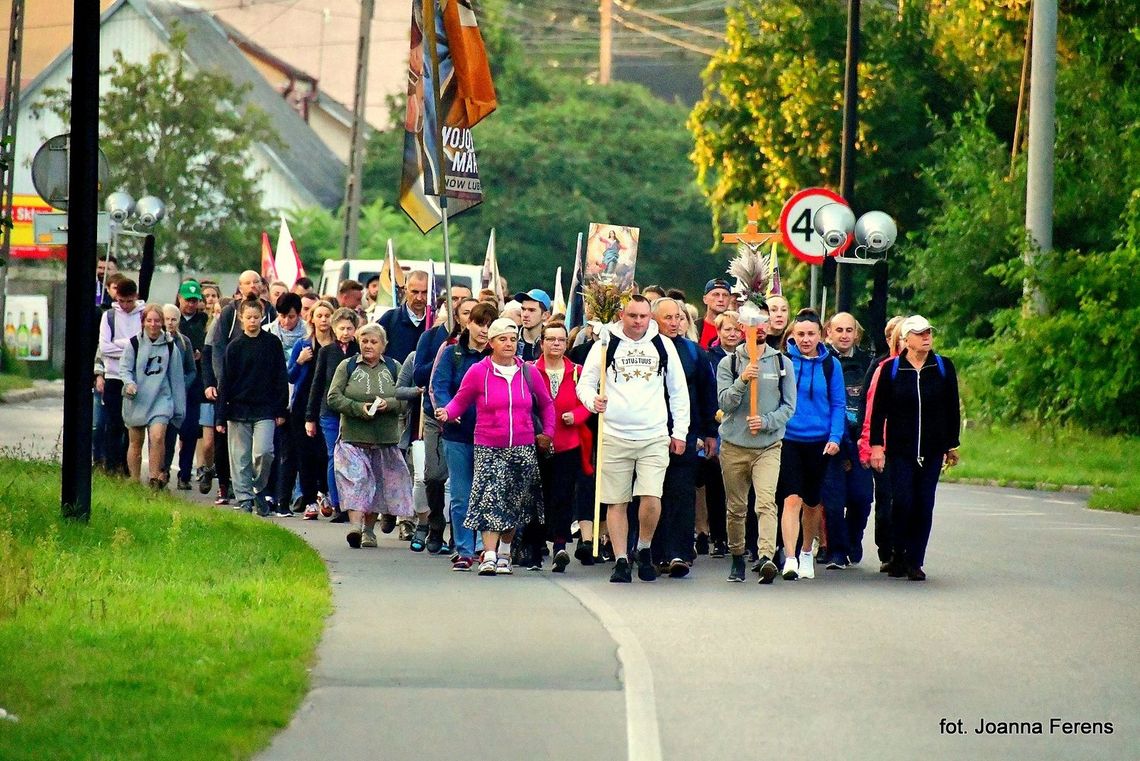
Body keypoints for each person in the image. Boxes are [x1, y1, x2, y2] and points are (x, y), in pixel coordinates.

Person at [576, 294, 690, 583]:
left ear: (650, 317)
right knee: (617, 501)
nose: (638, 322)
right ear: (621, 316)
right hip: (614, 433)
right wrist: (592, 401)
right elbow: (585, 383)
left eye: (643, 316)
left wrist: (680, 432)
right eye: (632, 316)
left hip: (653, 434)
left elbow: (678, 391)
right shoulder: (606, 343)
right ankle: (621, 559)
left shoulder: (662, 345)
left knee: (651, 497)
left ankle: (644, 548)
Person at [437, 318, 555, 576]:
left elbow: (546, 404)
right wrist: (447, 412)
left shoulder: (528, 371)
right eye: (503, 339)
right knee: (490, 499)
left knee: (513, 503)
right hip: (489, 445)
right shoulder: (479, 371)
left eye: (513, 339)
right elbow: (461, 400)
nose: (509, 344)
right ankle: (488, 555)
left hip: (522, 446)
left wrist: (548, 432)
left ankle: (504, 552)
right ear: (491, 343)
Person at [869, 315, 960, 581]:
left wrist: (951, 444)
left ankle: (915, 559)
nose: (926, 337)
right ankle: (898, 552)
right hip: (900, 450)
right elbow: (878, 412)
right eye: (920, 333)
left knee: (924, 504)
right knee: (903, 502)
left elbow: (952, 408)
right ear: (905, 340)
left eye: (928, 332)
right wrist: (876, 445)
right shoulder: (892, 370)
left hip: (932, 449)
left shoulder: (943, 367)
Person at [716, 302, 796, 582]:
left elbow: (789, 407)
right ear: (742, 327)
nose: (758, 328)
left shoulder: (781, 362)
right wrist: (741, 380)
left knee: (765, 503)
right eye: (752, 323)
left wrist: (766, 421)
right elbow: (724, 402)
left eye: (763, 322)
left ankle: (765, 557)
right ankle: (737, 556)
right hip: (734, 446)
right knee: (736, 507)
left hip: (768, 446)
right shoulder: (730, 363)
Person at [326, 323, 415, 548]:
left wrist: (389, 404)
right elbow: (333, 397)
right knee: (356, 482)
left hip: (384, 440)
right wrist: (358, 408)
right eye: (364, 341)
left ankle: (368, 530)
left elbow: (404, 400)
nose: (368, 345)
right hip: (353, 438)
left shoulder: (394, 367)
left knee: (376, 486)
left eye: (374, 342)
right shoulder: (347, 367)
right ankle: (355, 528)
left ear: (383, 345)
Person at [777, 309, 846, 581]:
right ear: (793, 335)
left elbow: (838, 403)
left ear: (821, 335)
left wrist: (835, 437)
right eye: (801, 334)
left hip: (820, 441)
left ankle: (807, 551)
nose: (806, 339)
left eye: (811, 334)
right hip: (789, 439)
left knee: (813, 502)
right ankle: (790, 557)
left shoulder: (831, 365)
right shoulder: (783, 362)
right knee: (791, 498)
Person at [651, 298, 718, 577]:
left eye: (679, 318)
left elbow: (707, 393)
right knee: (653, 495)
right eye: (668, 318)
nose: (675, 323)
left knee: (681, 493)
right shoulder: (645, 350)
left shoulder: (694, 352)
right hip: (650, 433)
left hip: (686, 434)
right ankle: (655, 553)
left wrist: (710, 433)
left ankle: (679, 552)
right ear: (654, 320)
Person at [430, 301, 497, 571]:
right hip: (457, 435)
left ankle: (484, 547)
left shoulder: (496, 357)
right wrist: (448, 410)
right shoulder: (451, 354)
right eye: (479, 323)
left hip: (489, 436)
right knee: (461, 494)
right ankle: (464, 549)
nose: (484, 330)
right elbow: (439, 385)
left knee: (486, 494)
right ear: (467, 324)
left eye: (489, 325)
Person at [203, 270, 277, 504]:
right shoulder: (229, 314)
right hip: (235, 393)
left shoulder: (271, 313)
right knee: (237, 453)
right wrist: (218, 383)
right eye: (247, 282)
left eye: (256, 281)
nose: (253, 286)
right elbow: (216, 348)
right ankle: (237, 493)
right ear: (240, 287)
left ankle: (258, 489)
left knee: (263, 452)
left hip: (263, 397)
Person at [413, 296, 479, 552]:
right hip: (437, 417)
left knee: (467, 485)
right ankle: (435, 523)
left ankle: (461, 538)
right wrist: (448, 408)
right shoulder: (437, 342)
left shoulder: (487, 352)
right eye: (465, 313)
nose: (471, 319)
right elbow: (428, 380)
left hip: (474, 426)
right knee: (435, 475)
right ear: (458, 318)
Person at [525, 321, 591, 572]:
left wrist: (577, 415)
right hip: (536, 442)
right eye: (550, 339)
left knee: (563, 496)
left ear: (567, 343)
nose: (555, 344)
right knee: (536, 496)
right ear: (541, 343)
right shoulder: (530, 371)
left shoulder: (577, 371)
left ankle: (560, 546)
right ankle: (534, 548)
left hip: (568, 443)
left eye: (561, 340)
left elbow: (589, 403)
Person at [215, 296, 289, 515]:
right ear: (241, 319)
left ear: (262, 317)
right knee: (240, 458)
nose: (253, 321)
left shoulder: (272, 343)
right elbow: (225, 382)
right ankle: (245, 497)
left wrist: (281, 408)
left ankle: (258, 486)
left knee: (264, 452)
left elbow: (280, 376)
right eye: (248, 317)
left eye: (257, 317)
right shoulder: (234, 347)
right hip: (238, 409)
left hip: (265, 409)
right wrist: (220, 416)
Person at [821, 312, 877, 567]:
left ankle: (854, 538)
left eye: (849, 330)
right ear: (828, 333)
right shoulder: (822, 361)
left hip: (860, 441)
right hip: (830, 441)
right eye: (839, 330)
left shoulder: (869, 363)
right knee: (832, 502)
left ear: (856, 334)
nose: (844, 335)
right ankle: (837, 551)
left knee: (862, 497)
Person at [121, 304, 186, 489]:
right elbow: (125, 369)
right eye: (149, 320)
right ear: (143, 322)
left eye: (157, 320)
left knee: (157, 437)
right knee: (136, 441)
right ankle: (134, 479)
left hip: (161, 399)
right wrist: (129, 383)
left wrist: (179, 408)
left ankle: (154, 477)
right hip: (137, 398)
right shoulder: (134, 344)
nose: (153, 324)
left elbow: (176, 378)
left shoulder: (170, 346)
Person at [859, 316, 906, 570]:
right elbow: (869, 408)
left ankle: (906, 550)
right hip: (883, 444)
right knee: (886, 498)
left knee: (907, 499)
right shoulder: (882, 368)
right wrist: (869, 444)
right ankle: (887, 550)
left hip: (910, 447)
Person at [306, 308, 360, 522]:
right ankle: (337, 503)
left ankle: (354, 504)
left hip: (354, 412)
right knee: (333, 457)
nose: (346, 332)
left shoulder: (360, 351)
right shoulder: (326, 352)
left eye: (349, 328)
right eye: (342, 328)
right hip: (329, 413)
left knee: (354, 459)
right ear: (334, 329)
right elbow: (317, 384)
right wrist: (310, 417)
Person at [699, 310, 744, 558]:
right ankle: (718, 537)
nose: (733, 333)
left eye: (737, 329)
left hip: (744, 427)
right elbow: (707, 393)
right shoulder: (708, 357)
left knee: (740, 488)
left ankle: (743, 537)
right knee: (717, 486)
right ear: (718, 332)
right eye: (727, 329)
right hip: (718, 427)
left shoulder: (749, 356)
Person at [288, 300, 336, 519]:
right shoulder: (304, 344)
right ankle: (309, 500)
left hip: (327, 404)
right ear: (312, 319)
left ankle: (325, 493)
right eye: (320, 315)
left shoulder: (337, 346)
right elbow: (290, 376)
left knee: (324, 453)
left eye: (327, 315)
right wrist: (299, 361)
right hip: (303, 404)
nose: (324, 320)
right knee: (305, 453)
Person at [98, 277, 145, 476]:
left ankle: (127, 468)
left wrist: (120, 344)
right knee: (113, 423)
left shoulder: (143, 314)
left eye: (129, 301)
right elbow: (104, 347)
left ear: (135, 297)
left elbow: (143, 345)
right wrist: (129, 346)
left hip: (135, 377)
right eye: (122, 301)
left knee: (131, 426)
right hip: (113, 376)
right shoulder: (109, 316)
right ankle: (111, 466)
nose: (125, 306)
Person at [160, 303, 199, 490]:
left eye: (173, 319)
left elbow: (192, 370)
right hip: (161, 396)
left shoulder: (184, 342)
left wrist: (182, 384)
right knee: (165, 435)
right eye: (166, 319)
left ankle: (184, 474)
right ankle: (162, 471)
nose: (170, 323)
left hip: (181, 397)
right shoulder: (157, 340)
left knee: (188, 433)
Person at [377, 270, 429, 361]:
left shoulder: (435, 322)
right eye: (415, 292)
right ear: (405, 290)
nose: (419, 298)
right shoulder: (390, 319)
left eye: (425, 292)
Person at [512, 289, 552, 361]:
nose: (525, 314)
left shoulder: (552, 341)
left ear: (545, 315)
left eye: (531, 310)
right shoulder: (511, 335)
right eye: (523, 309)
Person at [699, 279, 733, 349]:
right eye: (716, 294)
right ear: (705, 299)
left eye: (725, 295)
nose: (721, 299)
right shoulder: (694, 328)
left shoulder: (737, 330)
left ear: (730, 300)